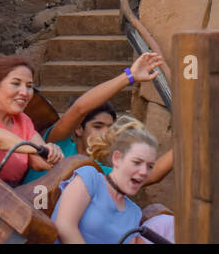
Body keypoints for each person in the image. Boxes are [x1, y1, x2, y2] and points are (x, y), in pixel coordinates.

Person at [22, 52, 167, 184]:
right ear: (79, 128)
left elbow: (151, 176)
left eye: (110, 127)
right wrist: (129, 76)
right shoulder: (58, 144)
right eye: (97, 126)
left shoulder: (97, 170)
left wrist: (187, 136)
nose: (105, 133)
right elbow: (79, 109)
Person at [51, 116, 160, 244]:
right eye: (137, 162)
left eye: (150, 166)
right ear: (117, 158)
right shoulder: (90, 178)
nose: (144, 172)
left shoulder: (134, 212)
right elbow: (64, 226)